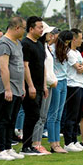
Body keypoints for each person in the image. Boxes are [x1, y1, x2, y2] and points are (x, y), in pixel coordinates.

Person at [0, 16, 26, 161]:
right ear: (17, 27)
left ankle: (8, 147)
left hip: (17, 87)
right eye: (23, 28)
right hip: (5, 88)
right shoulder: (3, 44)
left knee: (11, 120)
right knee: (2, 119)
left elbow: (20, 66)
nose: (24, 31)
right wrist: (7, 89)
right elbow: (4, 68)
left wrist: (22, 86)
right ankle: (0, 151)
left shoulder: (17, 43)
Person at [21, 16, 46, 156]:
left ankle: (29, 145)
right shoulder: (26, 44)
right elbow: (25, 66)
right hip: (30, 86)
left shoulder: (40, 44)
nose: (42, 30)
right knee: (32, 115)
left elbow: (42, 66)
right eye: (39, 27)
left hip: (40, 86)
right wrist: (30, 86)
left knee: (36, 116)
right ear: (31, 29)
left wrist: (44, 86)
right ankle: (26, 146)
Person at [32, 23, 58, 154]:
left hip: (49, 84)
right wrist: (49, 82)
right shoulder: (41, 48)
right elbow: (42, 68)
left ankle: (38, 143)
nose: (50, 35)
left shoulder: (47, 48)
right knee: (40, 116)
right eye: (48, 33)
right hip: (45, 85)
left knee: (43, 116)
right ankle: (35, 143)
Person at [62, 29, 83, 152]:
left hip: (81, 84)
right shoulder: (69, 53)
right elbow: (78, 68)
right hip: (72, 85)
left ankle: (74, 139)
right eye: (80, 38)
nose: (82, 40)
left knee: (78, 115)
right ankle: (68, 142)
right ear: (74, 38)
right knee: (71, 115)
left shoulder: (77, 53)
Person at [47, 28, 69, 154]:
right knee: (53, 114)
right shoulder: (52, 50)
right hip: (56, 82)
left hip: (64, 81)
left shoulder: (65, 50)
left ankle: (57, 143)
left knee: (59, 115)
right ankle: (53, 143)